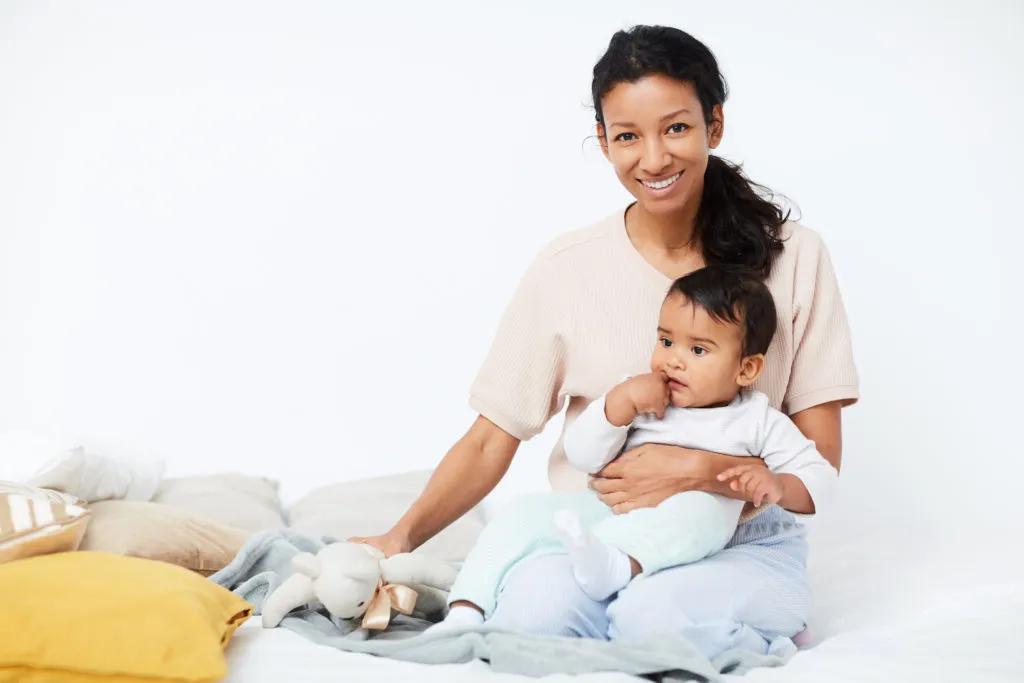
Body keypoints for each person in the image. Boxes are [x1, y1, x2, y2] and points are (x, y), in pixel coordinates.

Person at [352, 24, 858, 659]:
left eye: (676, 127)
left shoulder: (796, 258)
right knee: (528, 620)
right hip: (602, 528)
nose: (653, 159)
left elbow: (820, 459)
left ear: (715, 125)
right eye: (627, 136)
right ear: (604, 142)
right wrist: (399, 538)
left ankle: (754, 622)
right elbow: (490, 438)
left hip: (740, 540)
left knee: (652, 618)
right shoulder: (567, 268)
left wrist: (704, 474)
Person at [434, 267, 839, 631]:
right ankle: (466, 609)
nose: (673, 360)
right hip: (611, 513)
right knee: (523, 512)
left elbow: (819, 477)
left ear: (746, 369)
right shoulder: (640, 395)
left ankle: (618, 567)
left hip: (690, 530)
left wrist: (778, 485)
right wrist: (616, 407)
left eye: (697, 350)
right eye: (666, 341)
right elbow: (584, 456)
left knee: (699, 509)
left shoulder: (756, 420)